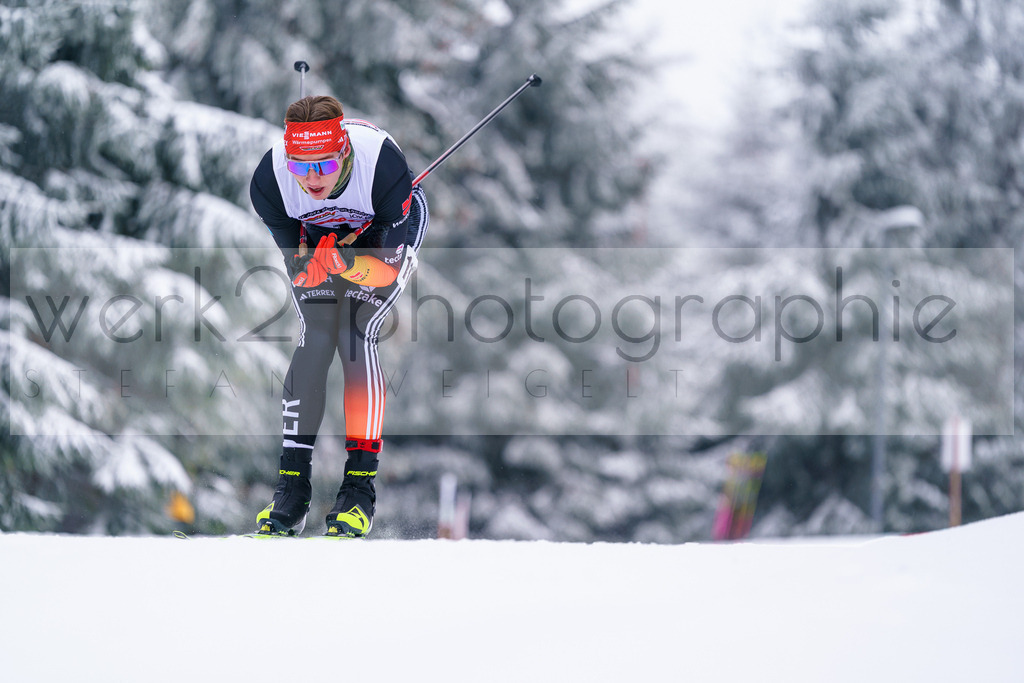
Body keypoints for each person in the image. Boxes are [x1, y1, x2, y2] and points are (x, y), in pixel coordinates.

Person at [249, 95, 428, 537]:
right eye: (301, 167)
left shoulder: (383, 167)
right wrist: (309, 262)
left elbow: (384, 268)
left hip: (383, 240)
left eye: (324, 167)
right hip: (319, 240)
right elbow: (295, 260)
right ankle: (291, 489)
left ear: (344, 153)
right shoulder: (270, 182)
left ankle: (358, 491)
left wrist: (347, 265)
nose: (311, 179)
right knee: (316, 335)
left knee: (353, 332)